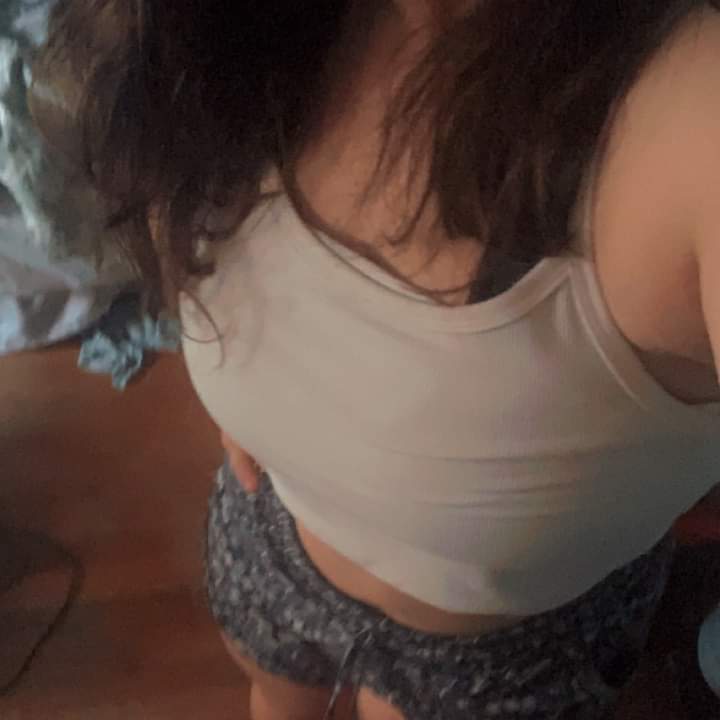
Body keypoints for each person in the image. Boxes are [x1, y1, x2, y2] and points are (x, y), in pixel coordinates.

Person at [41, 2, 720, 718]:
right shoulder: (198, 32)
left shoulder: (689, 109)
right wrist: (254, 394)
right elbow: (184, 216)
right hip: (268, 535)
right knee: (273, 701)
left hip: (502, 656)